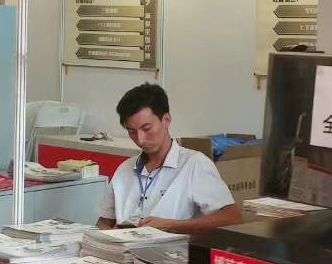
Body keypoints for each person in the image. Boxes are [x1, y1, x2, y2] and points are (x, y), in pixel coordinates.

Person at [96, 83, 240, 234]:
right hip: (124, 247)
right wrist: (108, 237)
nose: (140, 139)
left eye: (146, 129)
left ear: (166, 120)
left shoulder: (195, 164)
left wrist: (172, 226)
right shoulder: (124, 169)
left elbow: (232, 218)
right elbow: (103, 221)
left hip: (172, 247)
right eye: (132, 131)